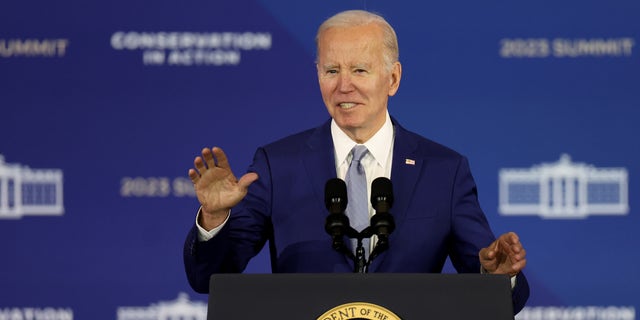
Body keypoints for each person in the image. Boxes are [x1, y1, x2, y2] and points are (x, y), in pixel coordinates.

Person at [183, 9, 529, 313]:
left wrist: (497, 278)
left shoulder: (443, 171)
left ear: (392, 78)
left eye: (360, 70)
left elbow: (494, 288)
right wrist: (214, 220)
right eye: (331, 71)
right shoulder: (278, 164)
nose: (343, 86)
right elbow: (208, 278)